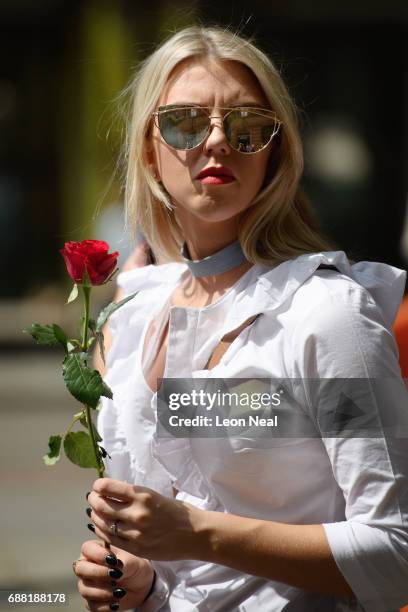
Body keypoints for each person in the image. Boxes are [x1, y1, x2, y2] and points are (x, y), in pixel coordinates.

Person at [72, 26, 408, 612]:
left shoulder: (327, 315)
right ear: (149, 147)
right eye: (185, 122)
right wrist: (139, 583)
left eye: (249, 126)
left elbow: (395, 554)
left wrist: (197, 532)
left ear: (276, 150)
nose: (218, 141)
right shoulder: (138, 315)